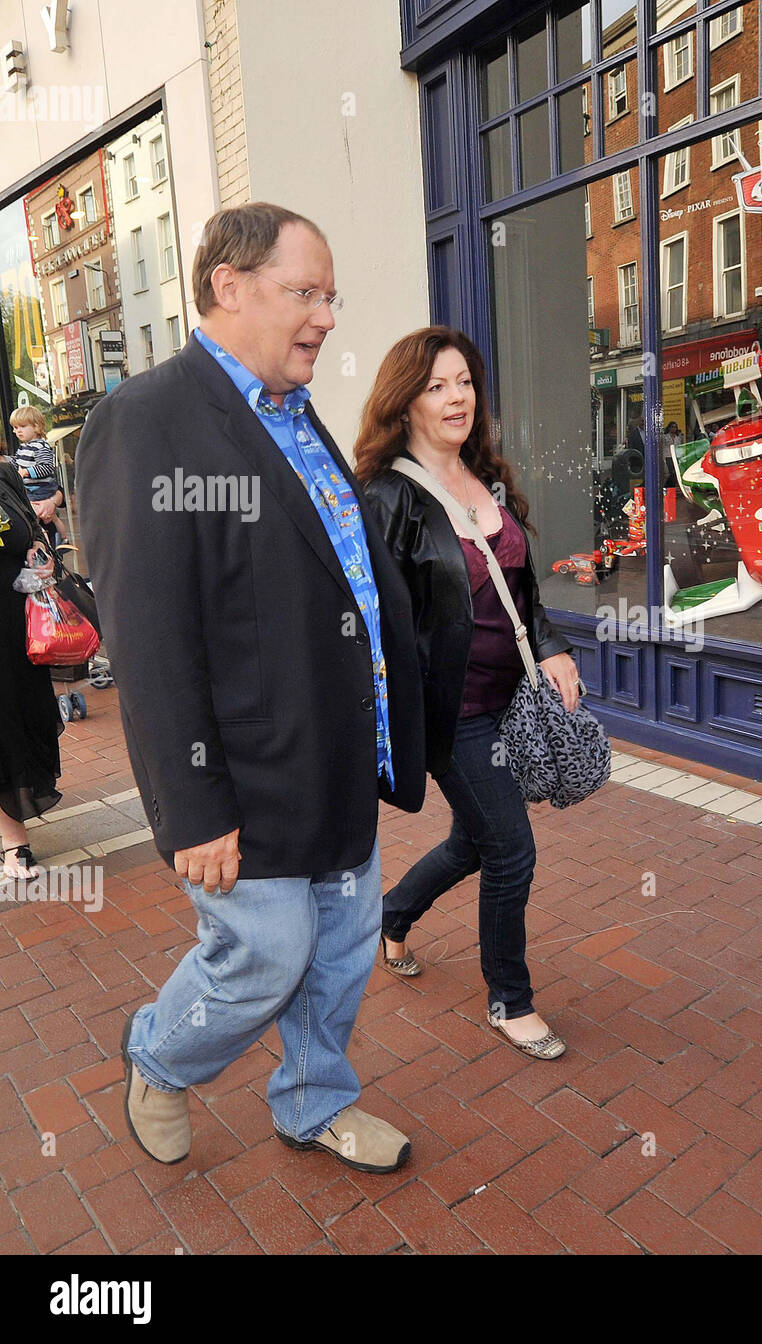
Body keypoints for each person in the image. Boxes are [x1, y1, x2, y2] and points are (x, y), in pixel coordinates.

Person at [76, 203, 427, 1172]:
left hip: (339, 753)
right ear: (229, 287)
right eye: (304, 292)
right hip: (240, 776)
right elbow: (148, 637)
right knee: (263, 957)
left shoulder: (293, 413)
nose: (325, 315)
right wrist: (191, 809)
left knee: (342, 952)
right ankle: (156, 1056)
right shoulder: (143, 420)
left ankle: (314, 1101)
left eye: (331, 296)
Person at [356, 327, 579, 1061]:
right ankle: (510, 999)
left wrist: (552, 650)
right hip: (453, 711)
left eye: (465, 382)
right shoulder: (386, 498)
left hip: (514, 701)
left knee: (473, 841)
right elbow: (366, 621)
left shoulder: (490, 478)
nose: (457, 398)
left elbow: (525, 592)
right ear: (405, 402)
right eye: (436, 386)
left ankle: (392, 913)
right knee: (511, 850)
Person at [0, 453, 63, 879]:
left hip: (17, 632)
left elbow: (31, 530)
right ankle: (12, 839)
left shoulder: (5, 472)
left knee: (22, 723)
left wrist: (40, 551)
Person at [8, 406, 62, 550]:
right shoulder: (23, 448)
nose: (17, 431)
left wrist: (26, 472)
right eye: (15, 427)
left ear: (36, 426)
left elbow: (47, 467)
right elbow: (15, 462)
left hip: (39, 489)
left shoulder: (40, 446)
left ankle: (58, 542)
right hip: (32, 490)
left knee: (37, 520)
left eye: (22, 427)